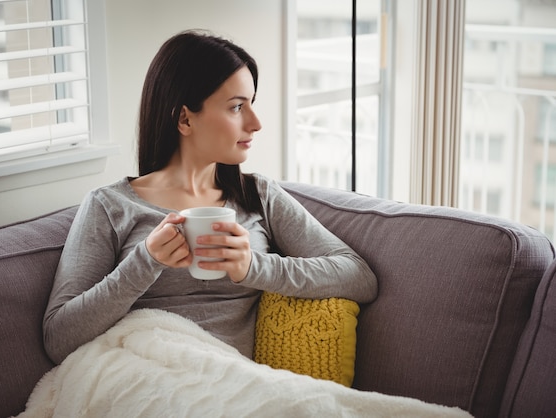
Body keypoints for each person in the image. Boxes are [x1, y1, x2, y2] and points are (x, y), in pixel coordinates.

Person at [43, 29, 377, 365]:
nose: (256, 123)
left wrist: (253, 267)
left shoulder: (257, 196)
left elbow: (357, 276)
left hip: (231, 382)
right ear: (185, 118)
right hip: (145, 373)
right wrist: (145, 261)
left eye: (252, 104)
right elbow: (59, 338)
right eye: (236, 107)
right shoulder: (110, 206)